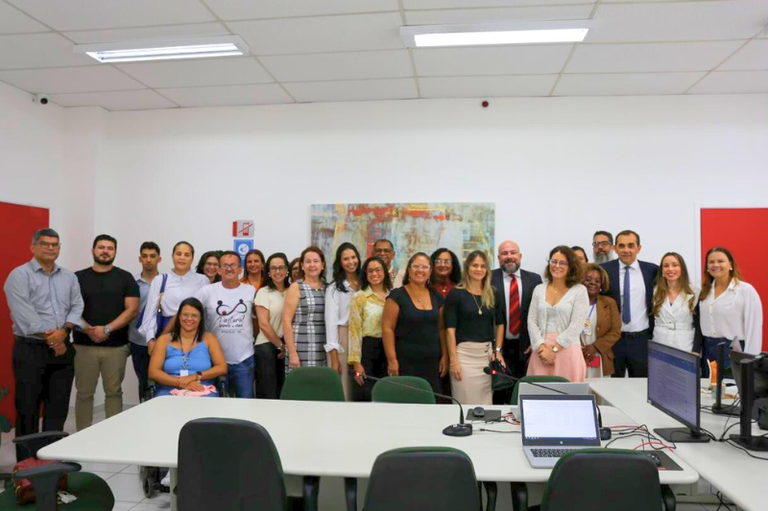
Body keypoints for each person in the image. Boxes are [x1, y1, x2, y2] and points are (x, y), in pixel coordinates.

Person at [4, 229, 84, 460]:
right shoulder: (19, 276)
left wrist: (64, 332)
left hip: (62, 350)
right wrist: (53, 339)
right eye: (45, 244)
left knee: (56, 411)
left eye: (55, 244)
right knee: (27, 410)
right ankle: (27, 469)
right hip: (30, 350)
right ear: (33, 247)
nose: (50, 248)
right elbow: (24, 315)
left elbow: (77, 306)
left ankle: (52, 463)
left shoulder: (69, 277)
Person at [73, 234, 140, 430]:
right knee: (84, 393)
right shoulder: (77, 278)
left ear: (115, 252)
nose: (105, 251)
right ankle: (82, 434)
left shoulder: (125, 277)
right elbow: (70, 308)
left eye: (110, 248)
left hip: (116, 346)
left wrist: (107, 329)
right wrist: (90, 330)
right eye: (101, 247)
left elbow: (132, 309)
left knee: (113, 392)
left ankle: (113, 433)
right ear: (93, 250)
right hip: (84, 345)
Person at [444, 251, 505, 404]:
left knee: (484, 406)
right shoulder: (456, 294)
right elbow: (450, 330)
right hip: (463, 357)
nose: (479, 269)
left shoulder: (493, 293)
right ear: (467, 268)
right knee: (463, 403)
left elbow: (500, 324)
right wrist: (454, 361)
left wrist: (497, 351)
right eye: (475, 265)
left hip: (486, 357)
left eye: (483, 266)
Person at [382, 253, 448, 393]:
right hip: (404, 362)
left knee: (430, 403)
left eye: (424, 267)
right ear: (409, 270)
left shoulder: (436, 297)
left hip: (432, 363)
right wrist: (392, 360)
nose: (420, 270)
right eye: (416, 266)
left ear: (430, 272)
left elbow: (441, 329)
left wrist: (445, 356)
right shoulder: (396, 296)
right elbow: (387, 329)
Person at [195, 251, 256, 398]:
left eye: (233, 265)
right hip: (214, 360)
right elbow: (189, 311)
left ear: (240, 269)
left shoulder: (251, 290)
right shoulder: (207, 291)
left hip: (244, 359)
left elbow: (258, 320)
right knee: (217, 406)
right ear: (219, 269)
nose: (229, 269)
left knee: (246, 405)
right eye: (225, 265)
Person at [601, 230, 659, 378]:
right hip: (614, 341)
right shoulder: (604, 270)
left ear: (638, 248)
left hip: (641, 340)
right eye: (621, 246)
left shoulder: (652, 270)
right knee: (612, 388)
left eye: (631, 245)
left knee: (641, 388)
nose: (626, 250)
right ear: (615, 248)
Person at [699, 247, 763, 378]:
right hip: (708, 350)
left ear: (731, 265)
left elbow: (754, 328)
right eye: (711, 262)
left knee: (731, 394)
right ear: (707, 266)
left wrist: (750, 361)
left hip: (733, 350)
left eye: (720, 261)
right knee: (710, 393)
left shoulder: (745, 291)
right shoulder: (704, 291)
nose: (716, 265)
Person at [528, 246, 589, 382]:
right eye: (553, 261)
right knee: (537, 398)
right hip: (541, 352)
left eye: (563, 263)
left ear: (571, 266)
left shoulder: (579, 291)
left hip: (567, 351)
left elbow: (576, 325)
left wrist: (554, 350)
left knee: (567, 399)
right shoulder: (539, 289)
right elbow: (532, 321)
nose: (557, 266)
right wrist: (541, 347)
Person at [139, 241, 210, 354]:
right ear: (172, 256)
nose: (182, 258)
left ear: (192, 258)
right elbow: (150, 312)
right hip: (166, 332)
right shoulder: (160, 279)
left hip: (194, 334)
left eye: (187, 255)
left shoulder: (202, 280)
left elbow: (206, 313)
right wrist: (151, 339)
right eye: (178, 254)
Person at [148, 297, 227, 397]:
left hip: (202, 389)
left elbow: (222, 367)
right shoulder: (163, 340)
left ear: (200, 318)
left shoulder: (209, 338)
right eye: (185, 314)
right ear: (179, 317)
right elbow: (153, 372)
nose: (189, 319)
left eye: (194, 315)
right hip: (169, 389)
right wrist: (182, 382)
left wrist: (196, 376)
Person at [491, 240, 542, 382]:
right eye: (504, 253)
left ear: (520, 256)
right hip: (497, 348)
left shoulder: (534, 279)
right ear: (498, 258)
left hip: (526, 347)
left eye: (513, 252)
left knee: (523, 388)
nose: (509, 256)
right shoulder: (488, 278)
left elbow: (541, 314)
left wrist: (536, 341)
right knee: (499, 393)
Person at [348, 257, 392, 401]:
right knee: (365, 396)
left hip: (388, 350)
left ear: (384, 272)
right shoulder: (359, 297)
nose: (374, 274)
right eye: (370, 271)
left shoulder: (393, 295)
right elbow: (354, 330)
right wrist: (356, 363)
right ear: (365, 274)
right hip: (367, 351)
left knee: (386, 397)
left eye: (378, 270)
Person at [325, 242, 361, 401]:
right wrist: (334, 359)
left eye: (353, 257)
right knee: (344, 387)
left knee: (360, 384)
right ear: (340, 262)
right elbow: (331, 323)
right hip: (343, 339)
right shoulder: (334, 288)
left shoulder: (364, 283)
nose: (351, 262)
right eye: (346, 259)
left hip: (362, 337)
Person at [283, 247, 328, 372]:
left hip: (323, 349)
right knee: (301, 388)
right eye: (308, 261)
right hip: (300, 349)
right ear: (302, 266)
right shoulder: (296, 287)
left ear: (322, 265)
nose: (312, 265)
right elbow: (286, 321)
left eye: (316, 261)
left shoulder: (328, 288)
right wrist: (292, 353)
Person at [255, 253, 291, 398]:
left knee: (284, 391)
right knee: (269, 393)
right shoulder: (263, 292)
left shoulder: (293, 290)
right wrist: (280, 346)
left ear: (287, 270)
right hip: (267, 346)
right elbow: (263, 324)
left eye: (281, 268)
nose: (278, 272)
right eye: (273, 268)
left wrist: (286, 347)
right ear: (268, 272)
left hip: (287, 346)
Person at [128, 241, 161, 400]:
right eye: (145, 256)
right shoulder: (130, 282)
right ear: (140, 258)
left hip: (160, 340)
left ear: (159, 259)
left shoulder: (165, 282)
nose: (148, 260)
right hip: (138, 340)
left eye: (152, 256)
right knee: (144, 381)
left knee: (161, 381)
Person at [651, 253, 702, 354]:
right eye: (666, 266)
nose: (670, 269)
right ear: (662, 270)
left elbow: (699, 326)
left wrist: (696, 350)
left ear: (682, 268)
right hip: (660, 342)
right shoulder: (654, 292)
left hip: (686, 345)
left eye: (675, 265)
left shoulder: (695, 293)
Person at [580, 263, 622, 378]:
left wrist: (595, 347)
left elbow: (616, 331)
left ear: (601, 285)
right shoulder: (572, 302)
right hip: (576, 355)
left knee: (600, 393)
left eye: (597, 281)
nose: (593, 283)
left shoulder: (609, 303)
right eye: (588, 279)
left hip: (601, 356)